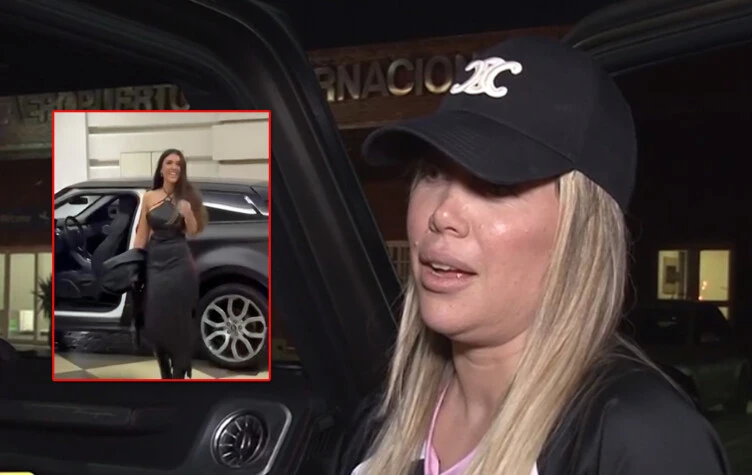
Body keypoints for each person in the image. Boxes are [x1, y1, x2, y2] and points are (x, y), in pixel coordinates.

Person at [330, 36, 731, 475]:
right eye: (432, 172)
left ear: (580, 233)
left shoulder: (640, 440)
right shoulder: (380, 424)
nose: (442, 214)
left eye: (496, 185)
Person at [134, 148, 207, 379]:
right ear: (161, 169)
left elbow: (193, 231)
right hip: (156, 263)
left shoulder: (187, 196)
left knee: (180, 322)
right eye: (169, 162)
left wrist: (188, 213)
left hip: (180, 263)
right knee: (155, 320)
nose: (174, 167)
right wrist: (134, 262)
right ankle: (165, 371)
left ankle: (178, 372)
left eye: (179, 164)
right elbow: (142, 234)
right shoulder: (149, 197)